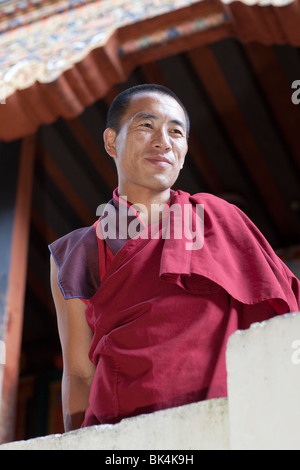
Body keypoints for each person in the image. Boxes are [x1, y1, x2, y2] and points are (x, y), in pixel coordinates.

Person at [49, 84, 300, 432]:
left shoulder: (221, 219)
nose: (163, 141)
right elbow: (78, 373)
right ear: (111, 141)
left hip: (228, 423)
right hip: (124, 433)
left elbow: (283, 319)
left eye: (176, 132)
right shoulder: (76, 251)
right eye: (146, 126)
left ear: (183, 152)